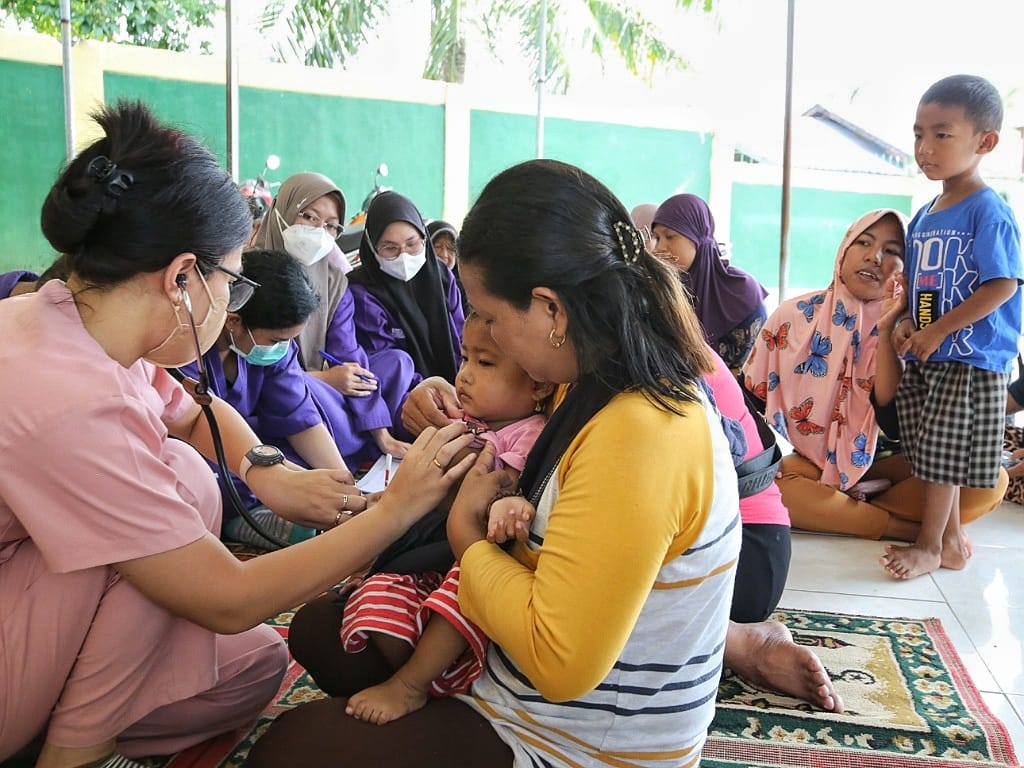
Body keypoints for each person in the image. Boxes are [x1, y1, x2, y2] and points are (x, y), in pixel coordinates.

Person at [246, 159, 825, 768]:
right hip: (530, 681)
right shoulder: (590, 379)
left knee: (286, 753)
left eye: (492, 319)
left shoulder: (641, 431)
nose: (487, 338)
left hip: (583, 738)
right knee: (321, 629)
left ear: (550, 311)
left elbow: (559, 661)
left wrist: (466, 540)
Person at [0, 100, 478, 768]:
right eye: (232, 281)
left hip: (42, 605)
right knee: (181, 490)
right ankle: (76, 752)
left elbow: (194, 415)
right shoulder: (68, 400)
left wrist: (270, 474)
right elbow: (228, 597)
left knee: (254, 662)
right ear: (182, 278)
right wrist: (398, 509)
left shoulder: (72, 320)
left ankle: (68, 716)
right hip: (35, 605)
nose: (232, 303)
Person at [742, 209, 1007, 551]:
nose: (874, 256)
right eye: (863, 242)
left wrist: (885, 332)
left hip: (895, 467)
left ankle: (846, 511)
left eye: (893, 251)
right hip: (814, 464)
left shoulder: (918, 328)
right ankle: (908, 529)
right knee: (774, 486)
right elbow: (751, 402)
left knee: (990, 483)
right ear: (844, 250)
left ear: (908, 268)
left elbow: (895, 425)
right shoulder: (794, 316)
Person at [340, 312, 554, 726]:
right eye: (464, 359)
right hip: (431, 545)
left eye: (485, 363)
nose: (465, 377)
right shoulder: (467, 423)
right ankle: (437, 676)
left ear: (539, 384)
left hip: (475, 551)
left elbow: (494, 495)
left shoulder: (528, 434)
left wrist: (504, 501)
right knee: (377, 594)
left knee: (465, 585)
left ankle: (412, 684)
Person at [882, 74, 1022, 580]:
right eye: (919, 133)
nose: (924, 147)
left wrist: (940, 330)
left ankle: (928, 546)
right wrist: (905, 324)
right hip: (930, 353)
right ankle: (952, 541)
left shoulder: (988, 210)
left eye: (942, 134)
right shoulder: (925, 215)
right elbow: (924, 284)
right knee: (929, 450)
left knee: (943, 457)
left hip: (969, 356)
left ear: (984, 142)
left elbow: (1001, 285)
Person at [178, 248, 355, 548]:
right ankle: (240, 516)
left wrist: (347, 488)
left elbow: (298, 417)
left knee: (301, 461)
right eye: (276, 340)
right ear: (233, 321)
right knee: (196, 476)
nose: (282, 348)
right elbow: (196, 432)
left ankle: (263, 505)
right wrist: (282, 484)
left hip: (250, 453)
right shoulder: (183, 351)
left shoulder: (271, 352)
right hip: (206, 458)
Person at [251, 172, 410, 465]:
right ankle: (341, 444)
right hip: (270, 394)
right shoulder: (250, 274)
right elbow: (251, 366)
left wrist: (383, 435)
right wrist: (323, 378)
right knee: (301, 392)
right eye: (309, 217)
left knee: (396, 364)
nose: (318, 232)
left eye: (330, 226)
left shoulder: (334, 281)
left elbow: (347, 353)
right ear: (281, 212)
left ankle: (360, 437)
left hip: (321, 391)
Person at [347, 191, 465, 428]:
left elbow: (462, 338)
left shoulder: (442, 278)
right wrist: (431, 394)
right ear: (372, 247)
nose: (404, 256)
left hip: (457, 393)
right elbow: (385, 365)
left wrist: (464, 387)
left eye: (412, 245)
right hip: (401, 402)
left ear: (424, 239)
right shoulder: (363, 291)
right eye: (390, 248)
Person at [652, 193, 768, 372]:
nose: (659, 248)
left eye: (670, 237)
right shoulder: (658, 292)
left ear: (696, 237)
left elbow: (754, 371)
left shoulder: (742, 293)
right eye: (657, 238)